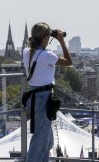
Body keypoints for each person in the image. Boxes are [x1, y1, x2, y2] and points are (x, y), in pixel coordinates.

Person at [22, 22, 72, 162]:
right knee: (39, 141)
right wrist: (61, 40)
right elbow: (68, 61)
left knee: (47, 140)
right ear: (45, 37)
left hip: (33, 96)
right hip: (43, 98)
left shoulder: (27, 52)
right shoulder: (46, 55)